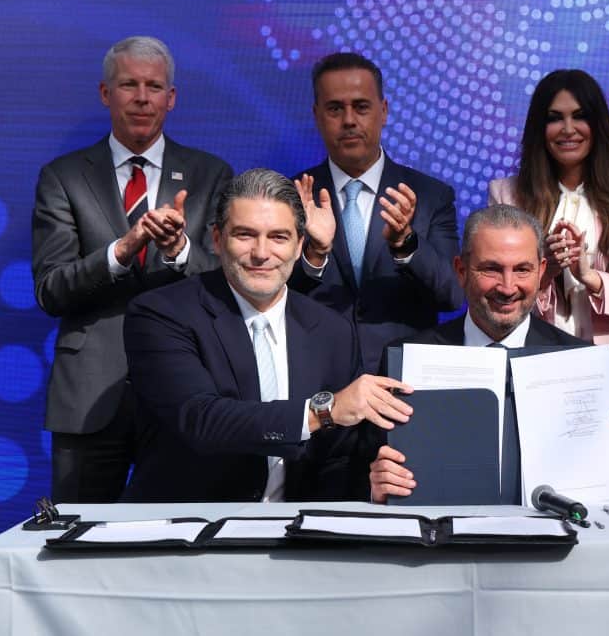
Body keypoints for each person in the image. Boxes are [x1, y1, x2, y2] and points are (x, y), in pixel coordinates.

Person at [120, 168, 414, 502]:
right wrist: (323, 411)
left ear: (299, 245)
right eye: (245, 235)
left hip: (293, 529)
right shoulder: (161, 313)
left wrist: (370, 486)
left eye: (278, 237)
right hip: (187, 525)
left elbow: (336, 457)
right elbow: (200, 420)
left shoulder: (333, 331)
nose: (261, 252)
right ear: (217, 239)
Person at [32, 36, 233, 503]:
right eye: (129, 85)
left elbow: (230, 283)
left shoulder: (211, 175)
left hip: (183, 389)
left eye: (154, 86)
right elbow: (50, 290)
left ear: (171, 97)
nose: (142, 97)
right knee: (77, 532)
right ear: (106, 93)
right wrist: (121, 251)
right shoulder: (63, 177)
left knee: (177, 532)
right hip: (89, 396)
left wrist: (180, 250)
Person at [369, 204, 609, 503]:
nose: (508, 287)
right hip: (442, 530)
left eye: (522, 269)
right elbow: (365, 465)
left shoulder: (584, 363)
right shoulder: (404, 360)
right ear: (461, 271)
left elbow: (605, 494)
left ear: (541, 271)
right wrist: (378, 487)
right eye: (492, 269)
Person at [488, 69, 609, 388]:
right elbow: (493, 299)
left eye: (580, 116)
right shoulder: (507, 195)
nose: (568, 129)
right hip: (533, 370)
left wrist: (591, 277)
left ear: (598, 125)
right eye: (555, 118)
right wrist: (546, 271)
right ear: (539, 128)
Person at [289, 52, 463, 374]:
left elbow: (452, 295)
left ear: (383, 111)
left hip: (403, 379)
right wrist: (314, 255)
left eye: (361, 107)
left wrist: (406, 244)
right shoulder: (292, 197)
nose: (349, 120)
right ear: (317, 115)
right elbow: (268, 294)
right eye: (335, 108)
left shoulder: (431, 196)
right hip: (316, 378)